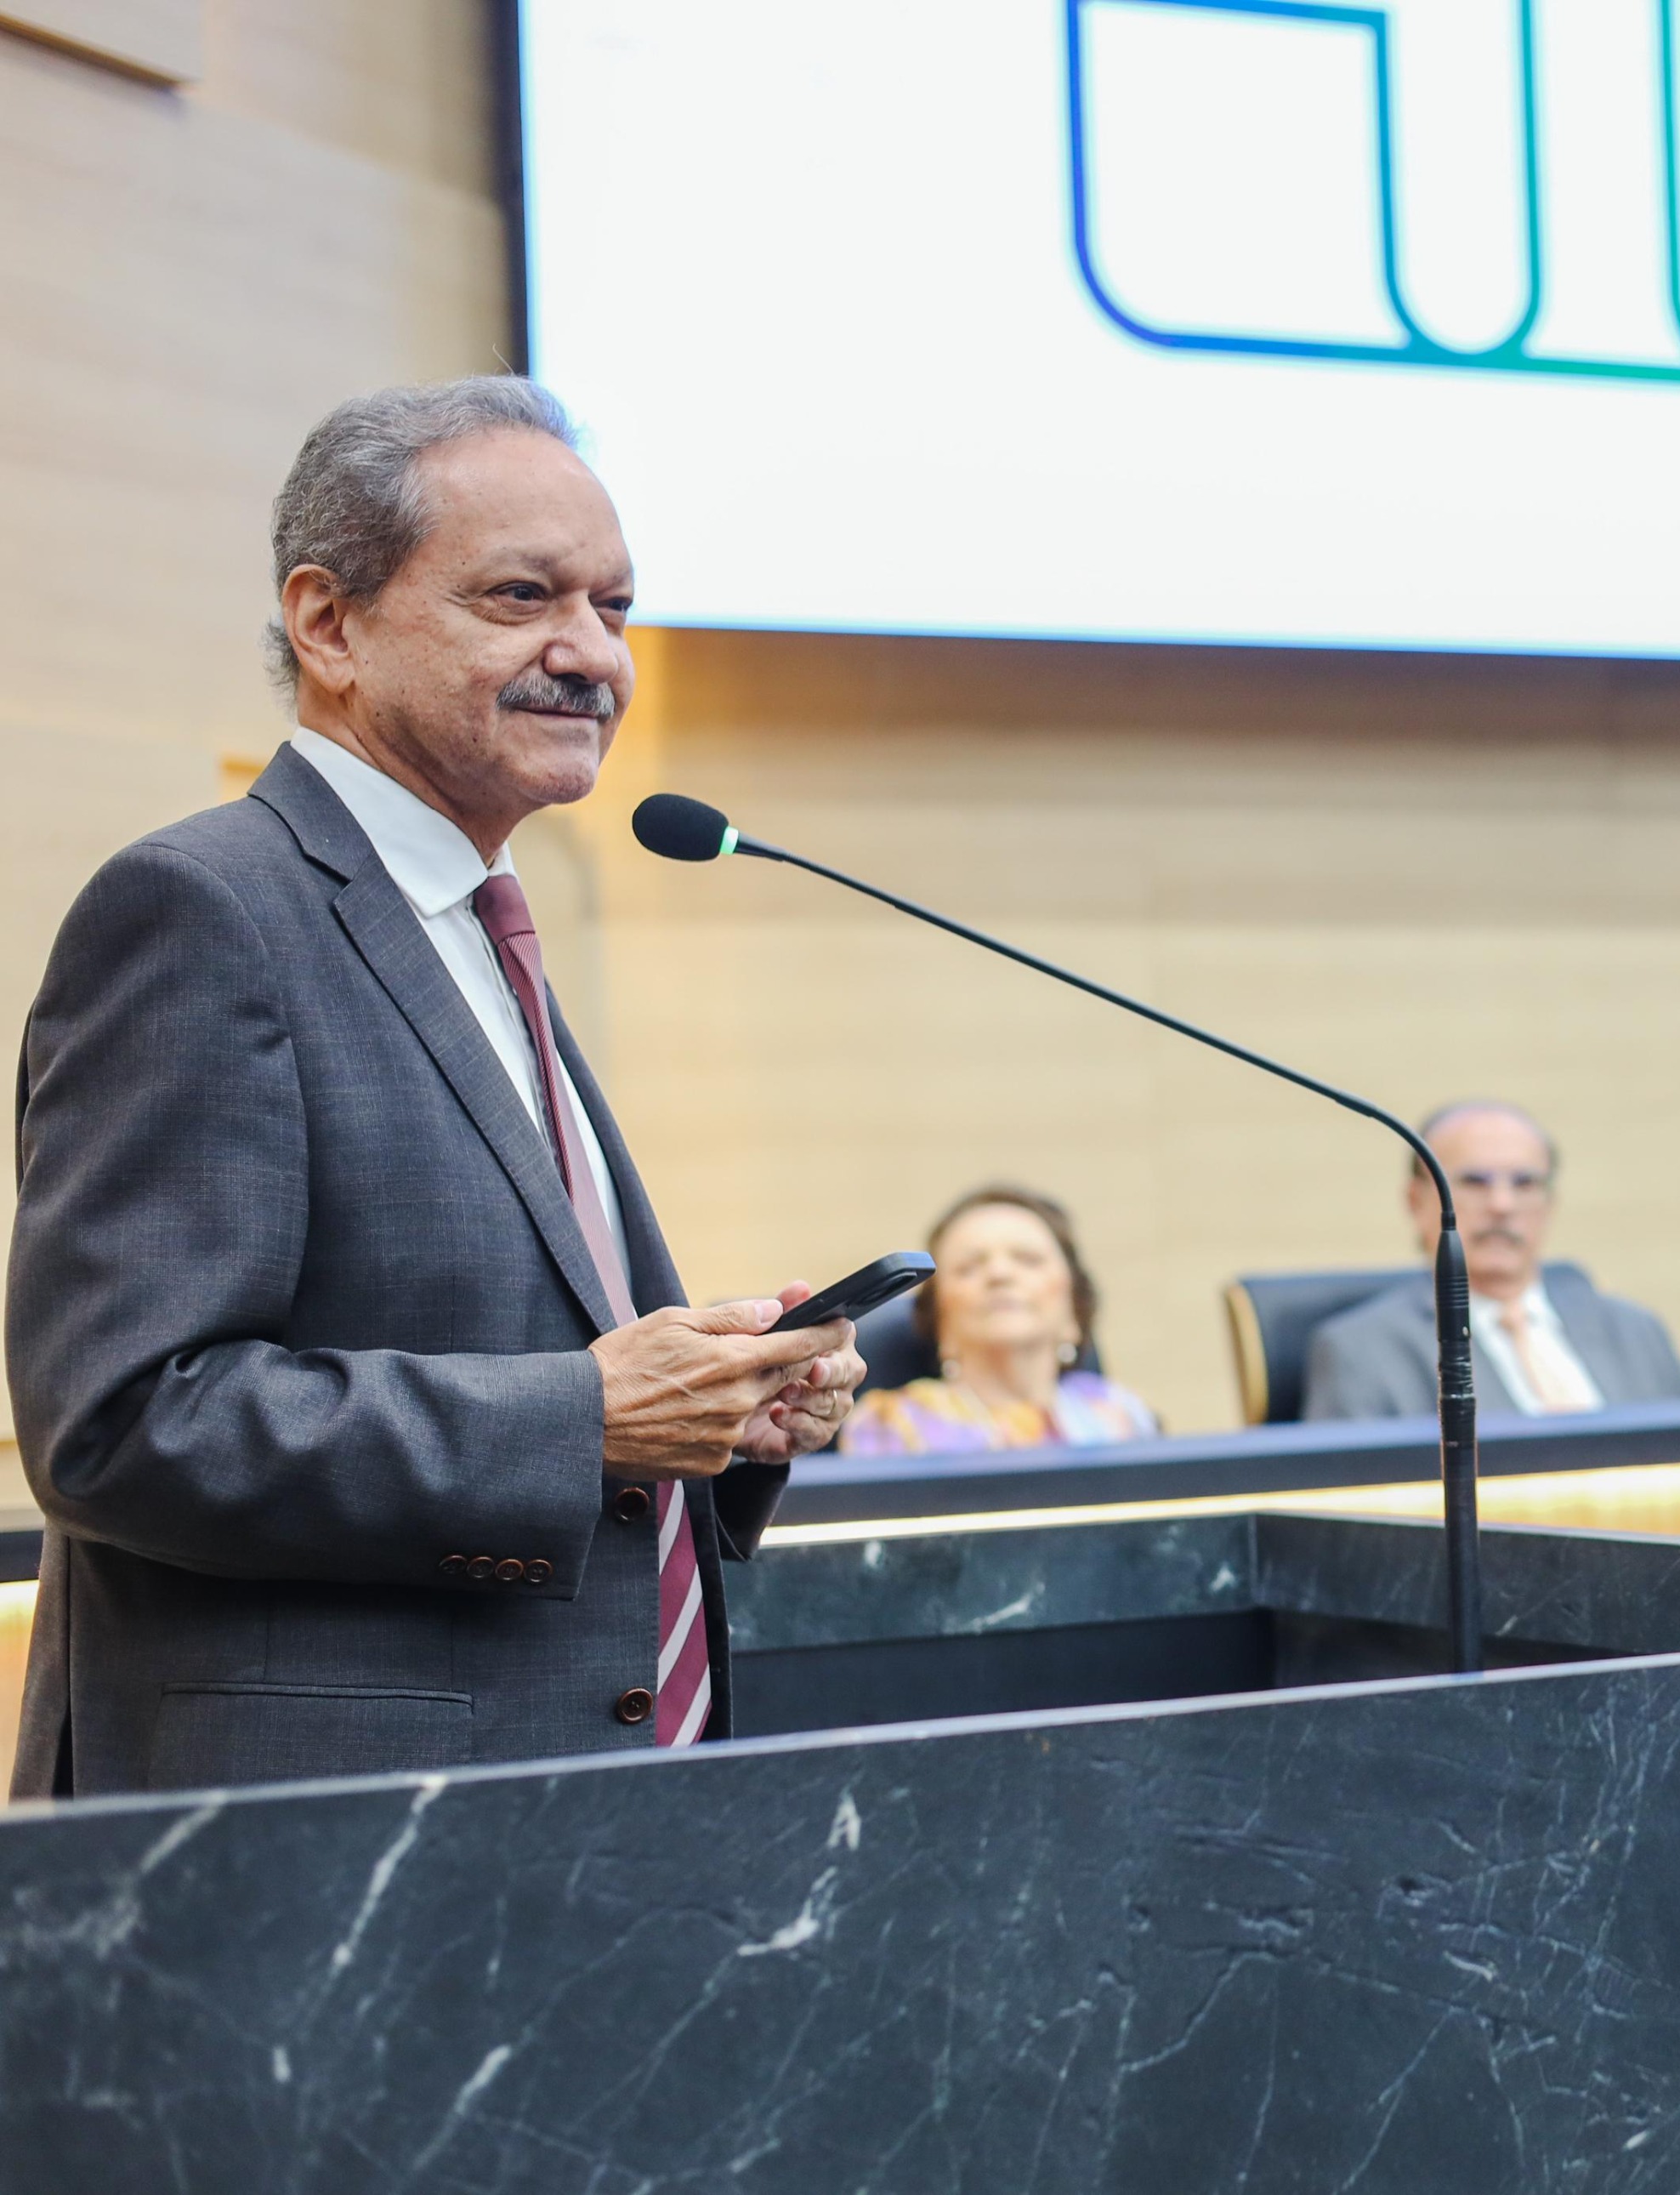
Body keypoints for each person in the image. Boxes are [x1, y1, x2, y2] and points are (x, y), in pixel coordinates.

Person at [5, 378, 866, 1797]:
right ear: (328, 623)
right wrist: (580, 1417)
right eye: (522, 597)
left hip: (550, 1817)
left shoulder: (471, 921)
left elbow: (504, 1347)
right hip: (311, 1842)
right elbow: (122, 1425)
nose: (591, 655)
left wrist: (713, 1413)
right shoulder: (202, 909)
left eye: (616, 607)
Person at [1303, 1101, 1680, 1419]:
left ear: (1549, 1204)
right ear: (1415, 1202)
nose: (1502, 1205)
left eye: (1525, 1183)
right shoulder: (1361, 1349)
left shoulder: (1635, 1329)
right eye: (1475, 1182)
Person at [843, 1186, 1159, 1453]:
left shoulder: (1123, 1415)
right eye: (969, 1267)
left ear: (1074, 1311)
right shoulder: (890, 1424)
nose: (999, 1274)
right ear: (939, 1318)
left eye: (1028, 1260)